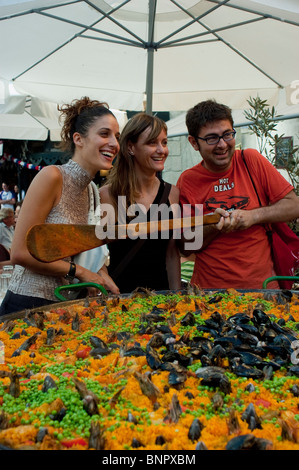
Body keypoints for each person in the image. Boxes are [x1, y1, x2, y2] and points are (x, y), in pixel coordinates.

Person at [0, 97, 120, 316]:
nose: (114, 143)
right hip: (27, 305)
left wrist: (101, 274)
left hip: (64, 308)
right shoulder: (52, 176)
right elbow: (19, 252)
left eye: (116, 136)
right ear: (78, 139)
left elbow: (84, 249)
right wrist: (80, 273)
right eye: (105, 134)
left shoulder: (92, 190)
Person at [177, 99, 299, 290]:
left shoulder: (251, 161)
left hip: (264, 289)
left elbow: (294, 205)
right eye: (211, 138)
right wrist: (214, 225)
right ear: (194, 142)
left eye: (227, 134)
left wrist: (252, 216)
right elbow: (185, 246)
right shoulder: (188, 180)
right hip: (209, 293)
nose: (222, 145)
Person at [99, 112, 181, 293]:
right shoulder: (107, 195)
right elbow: (95, 254)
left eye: (164, 142)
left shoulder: (172, 194)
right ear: (130, 147)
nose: (162, 150)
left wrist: (177, 296)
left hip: (162, 299)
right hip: (121, 300)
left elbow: (172, 253)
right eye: (152, 143)